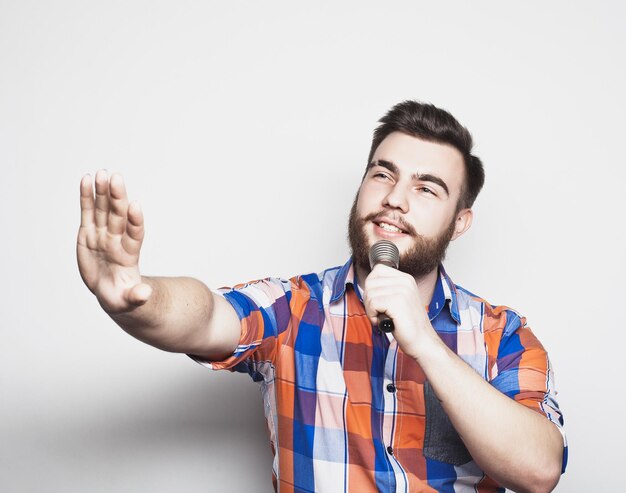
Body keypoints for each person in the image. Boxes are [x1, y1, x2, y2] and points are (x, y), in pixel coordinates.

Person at [77, 101, 567, 492]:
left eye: (426, 188)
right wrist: (138, 299)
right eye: (382, 174)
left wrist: (426, 344)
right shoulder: (293, 308)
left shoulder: (503, 334)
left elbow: (539, 471)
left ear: (459, 223)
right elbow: (205, 315)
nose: (395, 198)